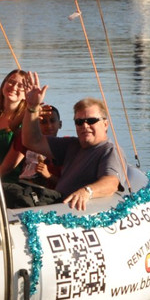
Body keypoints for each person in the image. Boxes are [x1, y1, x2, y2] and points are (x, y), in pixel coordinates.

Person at [21, 75, 128, 211]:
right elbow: (31, 141)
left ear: (105, 124)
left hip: (73, 212)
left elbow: (111, 182)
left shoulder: (110, 150)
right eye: (79, 122)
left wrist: (87, 191)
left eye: (91, 121)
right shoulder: (71, 145)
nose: (85, 126)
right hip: (54, 204)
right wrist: (32, 107)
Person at [0, 69, 32, 184]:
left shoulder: (25, 124)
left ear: (27, 94)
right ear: (3, 85)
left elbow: (7, 168)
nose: (14, 87)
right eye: (11, 82)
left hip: (4, 183)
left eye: (20, 86)